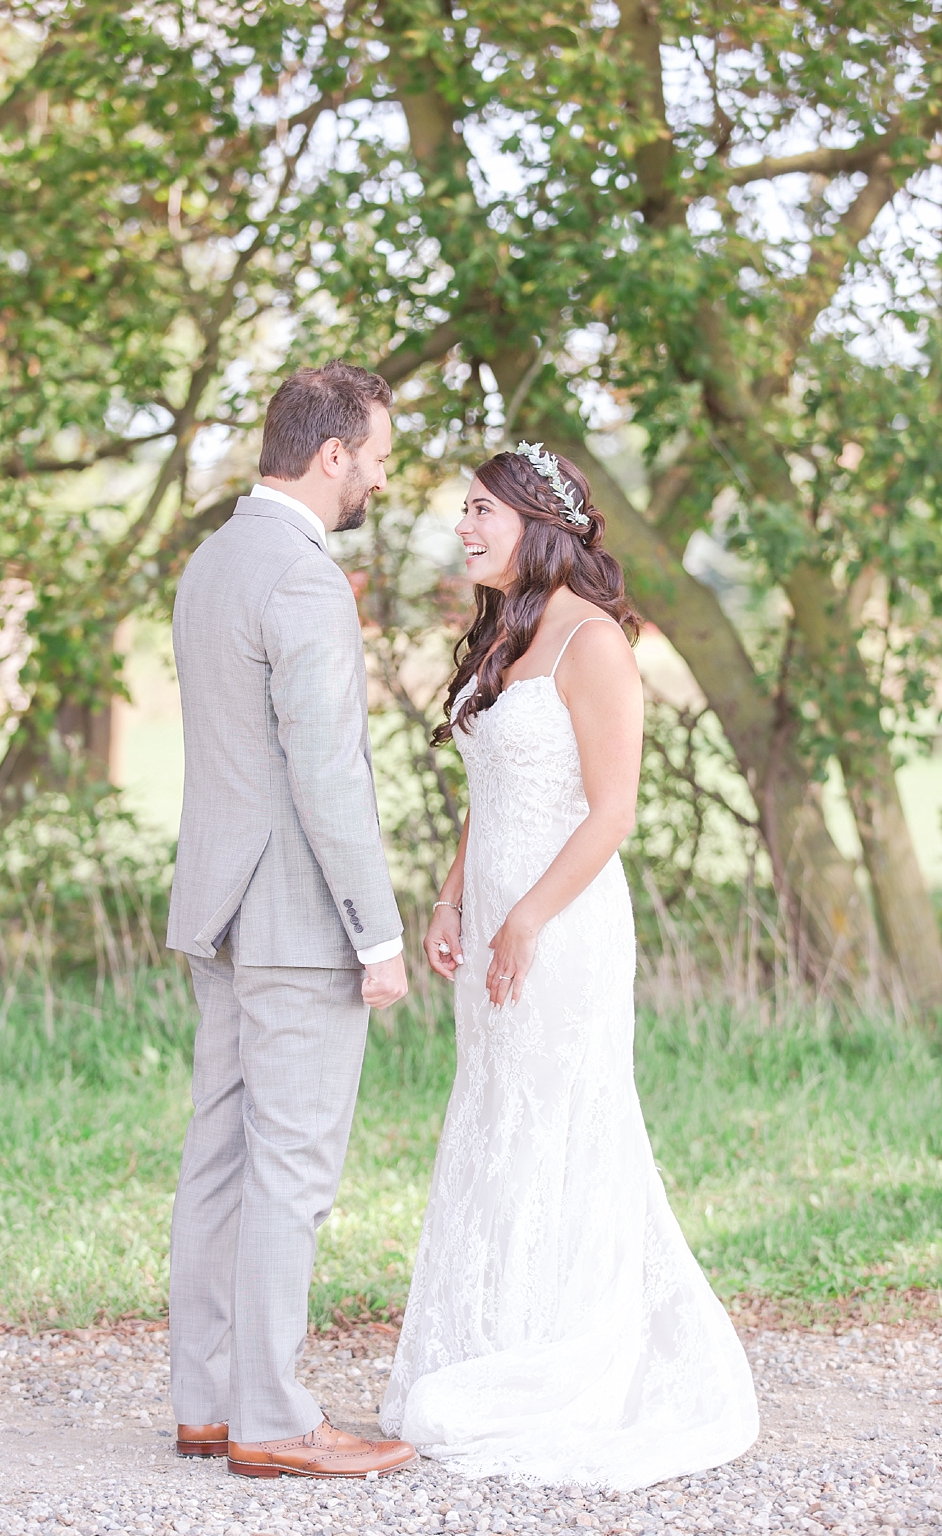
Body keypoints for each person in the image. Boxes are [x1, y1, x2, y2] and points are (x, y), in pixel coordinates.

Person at [381, 442, 759, 1488]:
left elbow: (611, 811)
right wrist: (455, 896)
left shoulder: (592, 642)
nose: (461, 527)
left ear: (535, 525)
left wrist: (528, 919)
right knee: (495, 1113)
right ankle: (488, 1333)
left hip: (566, 924)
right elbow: (488, 794)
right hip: (498, 912)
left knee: (560, 1118)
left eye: (479, 512)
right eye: (460, 510)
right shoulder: (504, 631)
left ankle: (564, 1353)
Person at [163, 360, 419, 1481]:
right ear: (330, 456)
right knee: (291, 1170)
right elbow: (326, 775)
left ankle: (206, 1402)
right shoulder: (304, 583)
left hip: (216, 908)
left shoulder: (211, 562)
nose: (379, 479)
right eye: (375, 458)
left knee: (217, 1158)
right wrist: (377, 930)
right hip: (294, 919)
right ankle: (271, 1416)